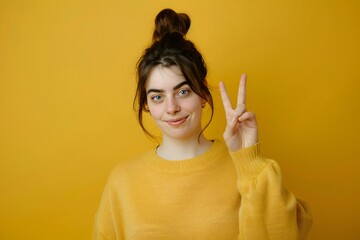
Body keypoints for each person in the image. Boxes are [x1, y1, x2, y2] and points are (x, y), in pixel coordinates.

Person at [92, 8, 313, 240]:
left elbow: (283, 234)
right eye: (157, 96)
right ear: (146, 104)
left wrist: (250, 160)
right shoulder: (122, 182)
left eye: (183, 91)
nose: (171, 108)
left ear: (204, 94)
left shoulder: (244, 169)